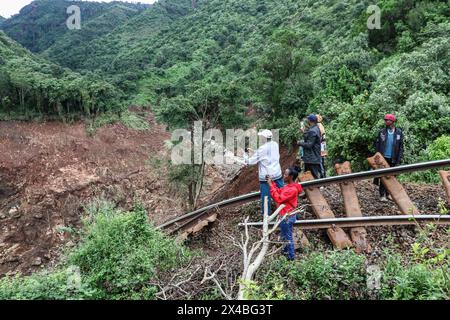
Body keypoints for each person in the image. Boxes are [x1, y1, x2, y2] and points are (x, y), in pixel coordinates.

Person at [244, 129, 284, 215]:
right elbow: (267, 155)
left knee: (266, 199)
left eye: (261, 137)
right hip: (277, 174)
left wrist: (245, 154)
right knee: (282, 194)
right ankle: (286, 212)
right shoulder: (275, 144)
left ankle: (266, 217)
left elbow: (251, 162)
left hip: (266, 178)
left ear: (264, 138)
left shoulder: (262, 148)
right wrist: (255, 151)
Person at [267, 168, 303, 261]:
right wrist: (272, 184)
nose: (284, 176)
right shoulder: (288, 187)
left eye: (286, 175)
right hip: (285, 215)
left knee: (288, 238)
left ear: (291, 177)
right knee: (286, 236)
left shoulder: (292, 190)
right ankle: (286, 255)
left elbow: (278, 198)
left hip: (287, 216)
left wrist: (271, 185)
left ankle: (291, 259)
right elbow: (278, 192)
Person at [375, 114, 404, 202]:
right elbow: (377, 145)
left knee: (391, 177)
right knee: (383, 177)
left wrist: (399, 159)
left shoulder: (399, 132)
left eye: (388, 120)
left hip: (393, 158)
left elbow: (401, 147)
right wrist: (378, 157)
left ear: (392, 122)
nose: (386, 121)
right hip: (384, 158)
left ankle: (388, 194)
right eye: (385, 120)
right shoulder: (382, 132)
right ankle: (382, 195)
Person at [297, 114, 322, 179]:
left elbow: (309, 145)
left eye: (308, 119)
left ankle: (318, 187)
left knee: (313, 175)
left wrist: (300, 143)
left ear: (310, 121)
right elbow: (310, 138)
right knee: (308, 174)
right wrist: (304, 132)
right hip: (312, 157)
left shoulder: (312, 130)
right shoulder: (316, 128)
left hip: (311, 158)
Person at [317, 114, 327, 179]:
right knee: (322, 162)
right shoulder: (321, 125)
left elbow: (321, 137)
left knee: (320, 162)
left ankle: (322, 177)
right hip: (323, 146)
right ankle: (323, 176)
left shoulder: (318, 125)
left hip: (320, 146)